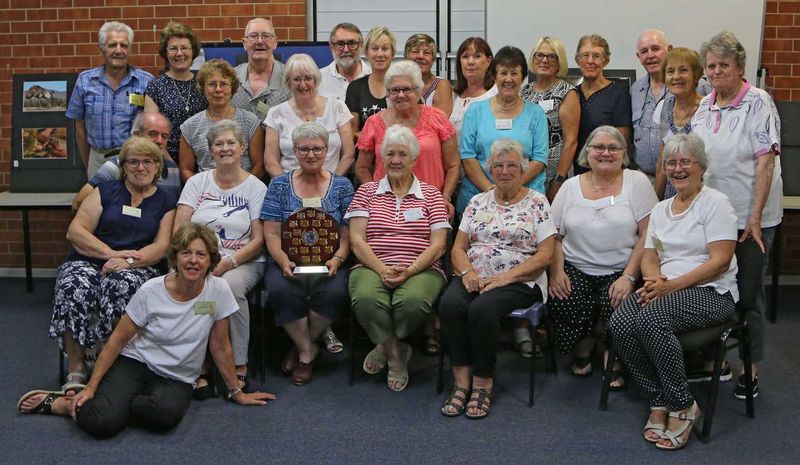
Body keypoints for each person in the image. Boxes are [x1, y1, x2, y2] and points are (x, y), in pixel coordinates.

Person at [19, 224, 276, 438]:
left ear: (210, 260)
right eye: (186, 253)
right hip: (136, 362)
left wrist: (237, 392)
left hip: (177, 376)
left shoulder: (218, 290)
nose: (193, 261)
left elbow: (220, 346)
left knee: (164, 418)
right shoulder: (152, 290)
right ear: (174, 258)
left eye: (201, 254)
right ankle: (65, 405)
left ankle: (116, 402)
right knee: (101, 423)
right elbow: (117, 341)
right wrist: (91, 387)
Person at [607, 133, 739, 450]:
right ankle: (658, 399)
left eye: (685, 162)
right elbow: (650, 255)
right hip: (665, 288)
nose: (678, 169)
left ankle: (683, 404)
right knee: (620, 322)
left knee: (650, 320)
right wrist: (654, 281)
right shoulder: (663, 208)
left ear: (701, 166)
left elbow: (720, 262)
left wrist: (669, 287)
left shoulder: (715, 203)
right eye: (671, 163)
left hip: (712, 292)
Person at [690, 30, 783, 400]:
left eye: (723, 65)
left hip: (750, 219)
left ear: (739, 67)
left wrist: (755, 218)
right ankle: (715, 360)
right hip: (713, 217)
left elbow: (766, 162)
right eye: (711, 66)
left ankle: (750, 368)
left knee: (747, 296)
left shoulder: (758, 101)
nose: (716, 72)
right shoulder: (704, 106)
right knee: (712, 289)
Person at [49, 136, 177, 394]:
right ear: (123, 166)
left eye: (148, 162)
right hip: (89, 259)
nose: (140, 168)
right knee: (73, 287)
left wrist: (126, 261)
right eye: (133, 162)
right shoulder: (105, 192)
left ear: (157, 167)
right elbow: (76, 231)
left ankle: (113, 364)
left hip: (137, 266)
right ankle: (77, 367)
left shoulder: (165, 201)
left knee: (122, 287)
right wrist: (110, 254)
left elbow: (161, 247)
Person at [439, 139, 555, 419]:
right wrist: (467, 272)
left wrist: (506, 278)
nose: (505, 171)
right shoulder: (477, 202)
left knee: (482, 308)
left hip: (521, 280)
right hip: (476, 275)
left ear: (522, 169)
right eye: (499, 165)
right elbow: (458, 247)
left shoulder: (537, 202)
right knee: (450, 304)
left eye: (512, 165)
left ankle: (482, 383)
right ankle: (461, 381)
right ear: (490, 169)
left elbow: (545, 255)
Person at [548, 126, 657, 387]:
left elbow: (648, 234)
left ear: (623, 153)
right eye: (599, 147)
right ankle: (583, 349)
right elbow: (553, 236)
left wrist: (630, 277)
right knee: (566, 296)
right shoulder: (571, 186)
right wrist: (557, 272)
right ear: (588, 152)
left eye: (613, 148)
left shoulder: (637, 182)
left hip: (621, 268)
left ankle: (615, 356)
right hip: (575, 265)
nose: (605, 153)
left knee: (618, 302)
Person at [346, 125, 450, 392]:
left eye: (402, 154)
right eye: (389, 154)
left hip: (422, 267)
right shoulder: (366, 192)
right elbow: (357, 240)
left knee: (413, 301)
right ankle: (396, 355)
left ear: (415, 159)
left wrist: (412, 269)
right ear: (381, 158)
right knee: (367, 298)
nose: (395, 160)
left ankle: (383, 345)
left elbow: (438, 245)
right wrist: (381, 269)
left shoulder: (431, 194)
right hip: (371, 264)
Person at [175, 119, 267, 397]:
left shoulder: (256, 187)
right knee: (190, 287)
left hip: (243, 260)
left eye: (231, 143)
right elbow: (180, 231)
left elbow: (260, 240)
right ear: (210, 150)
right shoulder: (196, 182)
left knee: (228, 287)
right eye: (219, 144)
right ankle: (198, 363)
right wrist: (197, 262)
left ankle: (238, 363)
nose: (225, 148)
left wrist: (227, 263)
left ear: (242, 149)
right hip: (198, 259)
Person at [261, 123, 354, 385]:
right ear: (295, 151)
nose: (311, 154)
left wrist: (337, 259)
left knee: (335, 292)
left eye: (317, 149)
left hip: (330, 261)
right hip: (287, 259)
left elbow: (348, 234)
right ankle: (307, 351)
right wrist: (282, 260)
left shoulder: (343, 186)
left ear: (327, 151)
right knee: (281, 290)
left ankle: (301, 345)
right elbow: (271, 233)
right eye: (304, 149)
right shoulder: (279, 185)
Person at [355, 60, 459, 217]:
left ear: (418, 91)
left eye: (407, 89)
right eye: (395, 90)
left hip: (431, 206)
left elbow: (453, 165)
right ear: (388, 93)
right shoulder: (373, 123)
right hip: (386, 208)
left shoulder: (437, 118)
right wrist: (375, 195)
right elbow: (362, 167)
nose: (401, 95)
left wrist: (445, 197)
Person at [457, 45, 548, 222]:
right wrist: (492, 190)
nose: (508, 79)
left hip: (525, 197)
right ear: (494, 76)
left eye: (514, 73)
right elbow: (467, 156)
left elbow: (540, 158)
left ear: (523, 77)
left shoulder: (536, 113)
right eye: (503, 73)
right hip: (479, 196)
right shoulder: (475, 112)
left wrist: (513, 187)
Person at [66, 21, 153, 177]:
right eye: (112, 45)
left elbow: (153, 126)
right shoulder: (85, 81)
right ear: (101, 49)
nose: (118, 50)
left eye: (124, 45)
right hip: (97, 159)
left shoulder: (146, 81)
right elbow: (79, 128)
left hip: (135, 159)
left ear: (130, 50)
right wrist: (90, 163)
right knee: (99, 201)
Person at [264, 53, 355, 178]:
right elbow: (270, 162)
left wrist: (333, 184)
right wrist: (287, 188)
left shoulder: (337, 108)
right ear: (288, 83)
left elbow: (348, 155)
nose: (303, 85)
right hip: (289, 187)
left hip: (332, 183)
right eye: (296, 79)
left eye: (308, 78)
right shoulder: (275, 114)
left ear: (316, 80)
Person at [71, 112, 180, 211]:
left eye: (164, 136)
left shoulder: (172, 170)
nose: (159, 141)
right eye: (152, 134)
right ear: (137, 135)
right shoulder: (117, 165)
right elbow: (79, 202)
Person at [179, 59, 265, 183]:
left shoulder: (250, 121)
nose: (218, 89)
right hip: (206, 195)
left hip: (244, 191)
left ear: (232, 89)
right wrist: (202, 190)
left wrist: (242, 188)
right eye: (212, 84)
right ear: (203, 88)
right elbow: (185, 169)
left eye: (224, 84)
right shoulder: (190, 126)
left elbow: (259, 165)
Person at [520, 36, 580, 201]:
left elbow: (571, 142)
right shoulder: (524, 92)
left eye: (551, 56)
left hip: (554, 173)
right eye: (540, 55)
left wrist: (558, 181)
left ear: (559, 62)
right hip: (526, 172)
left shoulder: (567, 92)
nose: (544, 60)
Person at [144, 21, 207, 163]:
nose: (179, 53)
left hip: (203, 162)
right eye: (173, 48)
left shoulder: (203, 84)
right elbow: (151, 134)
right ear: (165, 53)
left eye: (184, 48)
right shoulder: (155, 87)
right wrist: (171, 166)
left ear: (193, 51)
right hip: (165, 160)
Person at [575, 34, 632, 175]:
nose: (590, 61)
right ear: (577, 60)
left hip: (607, 169)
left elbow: (621, 140)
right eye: (585, 55)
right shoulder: (571, 94)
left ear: (605, 61)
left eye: (596, 56)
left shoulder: (618, 93)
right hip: (577, 173)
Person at [653, 48, 705, 200]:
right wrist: (657, 202)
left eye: (683, 70)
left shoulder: (708, 109)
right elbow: (662, 159)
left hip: (701, 196)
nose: (676, 77)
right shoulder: (663, 108)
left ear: (695, 75)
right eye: (670, 71)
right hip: (672, 196)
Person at [630, 29, 673, 180]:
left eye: (655, 49)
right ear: (638, 56)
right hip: (644, 179)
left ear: (669, 50)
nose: (650, 55)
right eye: (644, 51)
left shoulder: (691, 85)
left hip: (679, 180)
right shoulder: (635, 90)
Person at [231, 18, 290, 121]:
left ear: (275, 42)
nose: (259, 41)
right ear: (244, 43)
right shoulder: (229, 78)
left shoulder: (291, 79)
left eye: (266, 36)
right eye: (253, 36)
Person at [345, 26, 395, 136]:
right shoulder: (355, 88)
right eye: (375, 48)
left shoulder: (404, 86)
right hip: (365, 151)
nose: (380, 54)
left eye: (385, 49)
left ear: (392, 54)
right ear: (366, 53)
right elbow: (352, 132)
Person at [450, 37, 496, 140]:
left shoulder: (497, 94)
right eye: (465, 56)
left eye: (477, 56)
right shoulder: (453, 95)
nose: (470, 62)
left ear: (488, 61)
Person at [318, 23, 371, 102]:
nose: (346, 50)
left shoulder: (373, 76)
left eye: (352, 43)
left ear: (361, 45)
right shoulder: (319, 79)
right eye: (340, 44)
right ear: (331, 46)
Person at [404, 33, 453, 115]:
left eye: (426, 53)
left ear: (433, 59)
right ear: (406, 56)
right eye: (415, 52)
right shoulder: (397, 84)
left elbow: (440, 123)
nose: (420, 56)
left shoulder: (441, 85)